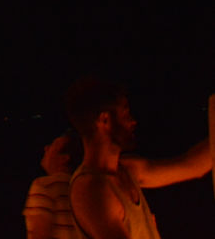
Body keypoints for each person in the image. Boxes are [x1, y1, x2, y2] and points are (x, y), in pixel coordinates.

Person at [65, 77, 211, 239]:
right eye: (125, 113)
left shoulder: (127, 170)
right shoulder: (91, 190)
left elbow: (192, 166)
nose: (133, 122)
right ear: (104, 120)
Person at [22, 131, 81, 239]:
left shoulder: (45, 186)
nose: (46, 148)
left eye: (53, 145)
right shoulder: (83, 189)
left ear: (64, 158)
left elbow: (39, 235)